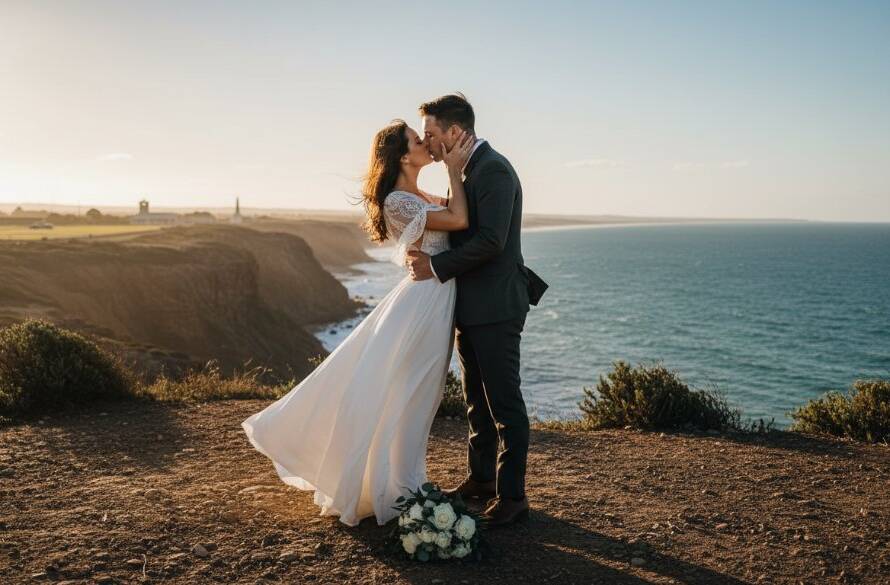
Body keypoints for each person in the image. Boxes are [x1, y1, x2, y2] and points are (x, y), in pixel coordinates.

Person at [241, 119, 474, 527]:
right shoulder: (398, 201)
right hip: (422, 304)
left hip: (434, 300)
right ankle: (391, 485)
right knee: (404, 392)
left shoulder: (419, 193)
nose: (426, 144)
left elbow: (455, 211)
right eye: (418, 140)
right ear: (403, 155)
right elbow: (458, 221)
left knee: (422, 393)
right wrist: (456, 167)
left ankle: (405, 480)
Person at [407, 93, 548, 527]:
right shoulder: (463, 169)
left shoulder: (495, 170)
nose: (428, 142)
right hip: (469, 306)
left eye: (432, 134)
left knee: (505, 403)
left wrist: (435, 266)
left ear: (454, 132)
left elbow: (492, 241)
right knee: (475, 402)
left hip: (497, 306)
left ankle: (513, 497)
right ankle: (481, 478)